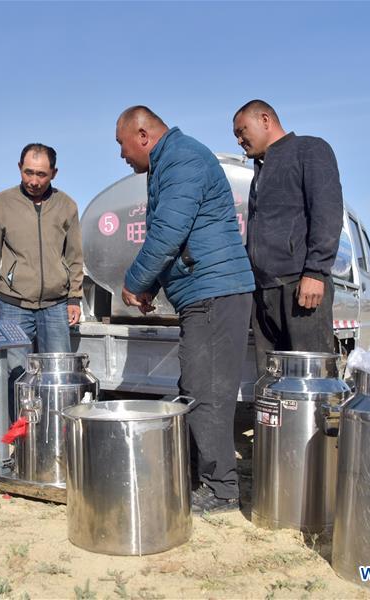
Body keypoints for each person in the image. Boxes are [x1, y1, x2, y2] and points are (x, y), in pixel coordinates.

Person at [116, 106, 255, 514]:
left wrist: (134, 282)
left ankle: (221, 489)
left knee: (205, 393)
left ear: (143, 135)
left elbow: (168, 234)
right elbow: (181, 239)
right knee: (198, 386)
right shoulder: (171, 160)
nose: (122, 155)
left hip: (214, 293)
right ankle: (203, 477)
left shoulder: (181, 158)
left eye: (122, 144)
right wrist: (151, 285)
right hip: (207, 292)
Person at [232, 100, 343, 376]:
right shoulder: (260, 169)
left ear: (265, 119)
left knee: (310, 379)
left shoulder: (309, 149)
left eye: (241, 131)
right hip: (264, 292)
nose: (239, 141)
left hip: (300, 288)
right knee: (270, 382)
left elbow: (327, 211)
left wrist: (316, 272)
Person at [0, 143, 83, 407]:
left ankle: (57, 430)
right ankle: (19, 432)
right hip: (13, 306)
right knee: (17, 377)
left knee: (58, 378)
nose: (34, 181)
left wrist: (74, 297)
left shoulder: (67, 206)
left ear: (54, 173)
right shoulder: (0, 204)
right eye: (28, 172)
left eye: (41, 174)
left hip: (56, 307)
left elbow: (74, 256)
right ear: (19, 168)